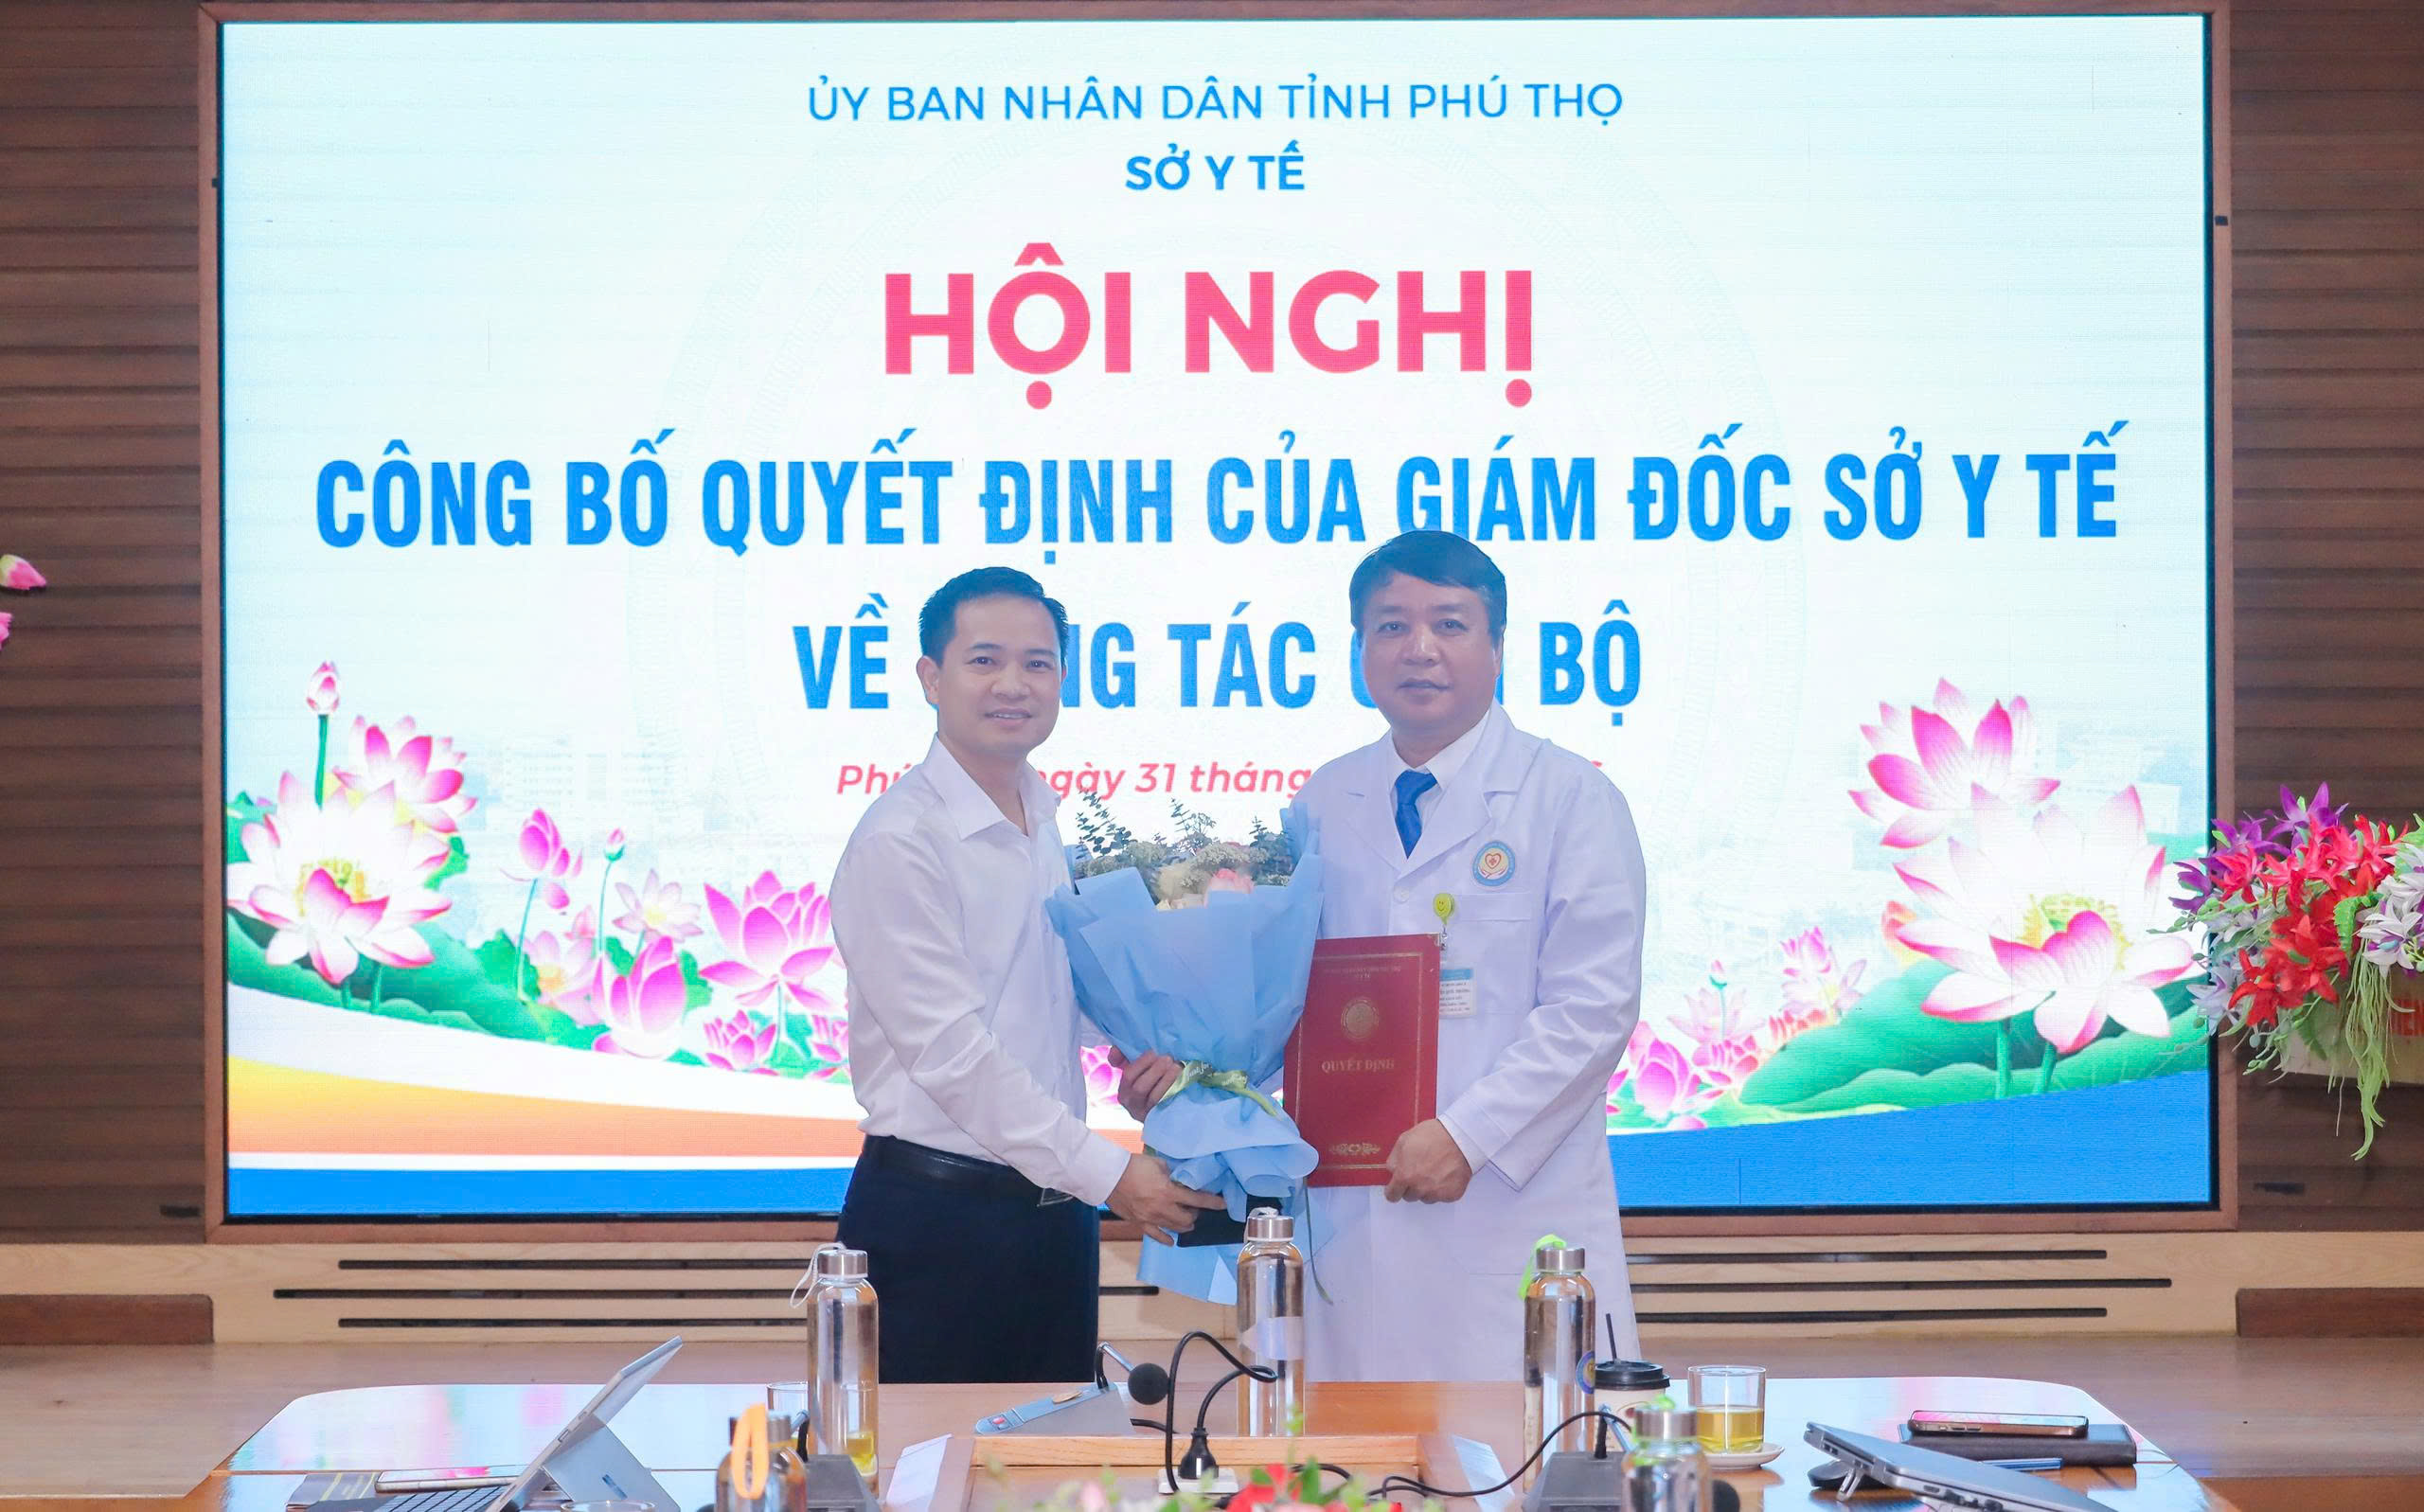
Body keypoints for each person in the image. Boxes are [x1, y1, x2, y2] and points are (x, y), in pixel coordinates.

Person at [1126, 531, 1646, 1381]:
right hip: (1349, 1225)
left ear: (1498, 645)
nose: (1420, 648)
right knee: (1346, 1449)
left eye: (1450, 623)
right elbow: (1283, 1000)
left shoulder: (1571, 798)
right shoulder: (1325, 801)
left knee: (1522, 1444)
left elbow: (1593, 1011)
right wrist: (1195, 1075)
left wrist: (1469, 1134)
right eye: (1392, 626)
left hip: (1508, 1212)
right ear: (1359, 648)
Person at [830, 566, 1223, 1383]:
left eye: (1038, 663)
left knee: (1052, 1452)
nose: (1014, 684)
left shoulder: (1038, 816)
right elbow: (952, 1053)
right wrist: (1111, 1172)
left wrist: (1148, 1059)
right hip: (941, 1224)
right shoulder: (901, 840)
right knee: (929, 1457)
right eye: (985, 660)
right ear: (930, 677)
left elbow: (1042, 995)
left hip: (1053, 1219)